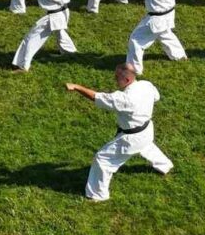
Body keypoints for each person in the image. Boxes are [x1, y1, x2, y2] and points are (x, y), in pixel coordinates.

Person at [65, 63, 173, 202]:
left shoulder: (125, 99)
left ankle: (97, 195)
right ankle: (165, 165)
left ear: (127, 80)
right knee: (146, 145)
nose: (115, 79)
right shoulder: (146, 85)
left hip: (131, 138)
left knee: (102, 159)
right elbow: (156, 97)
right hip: (146, 129)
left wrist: (77, 87)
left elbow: (97, 97)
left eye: (117, 77)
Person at [105, 0, 187, 74]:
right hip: (169, 13)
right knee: (165, 33)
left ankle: (134, 69)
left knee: (136, 40)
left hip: (156, 17)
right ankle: (179, 56)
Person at [0, 0, 77, 73]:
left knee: (31, 38)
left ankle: (23, 66)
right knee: (60, 32)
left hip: (53, 16)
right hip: (65, 11)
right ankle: (70, 53)